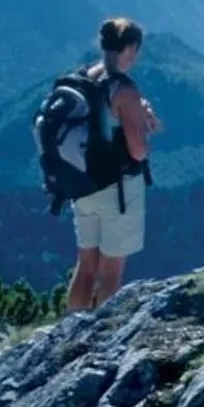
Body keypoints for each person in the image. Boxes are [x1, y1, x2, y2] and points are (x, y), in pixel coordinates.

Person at [47, 17, 163, 312]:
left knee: (86, 265)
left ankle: (71, 331)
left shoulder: (85, 77)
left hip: (81, 186)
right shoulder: (124, 89)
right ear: (130, 48)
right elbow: (137, 152)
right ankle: (100, 339)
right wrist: (143, 126)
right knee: (111, 269)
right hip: (118, 190)